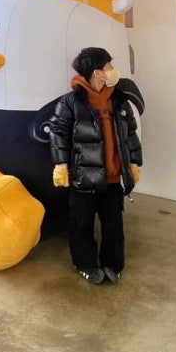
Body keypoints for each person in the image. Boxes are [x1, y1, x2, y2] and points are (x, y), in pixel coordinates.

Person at [47, 46, 143, 285]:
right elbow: (57, 133)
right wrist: (60, 164)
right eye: (109, 66)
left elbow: (130, 133)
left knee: (114, 225)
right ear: (97, 72)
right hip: (83, 177)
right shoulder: (70, 102)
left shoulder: (119, 101)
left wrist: (133, 163)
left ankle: (113, 264)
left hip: (113, 178)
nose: (113, 70)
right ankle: (85, 264)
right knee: (81, 225)